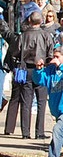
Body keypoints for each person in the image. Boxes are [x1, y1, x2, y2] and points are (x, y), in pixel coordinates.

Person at [4, 11, 51, 139]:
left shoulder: (23, 36)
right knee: (41, 102)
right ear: (41, 21)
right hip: (41, 69)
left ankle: (26, 133)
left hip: (26, 69)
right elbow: (50, 53)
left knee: (26, 102)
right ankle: (39, 132)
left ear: (30, 21)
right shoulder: (46, 35)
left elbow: (15, 53)